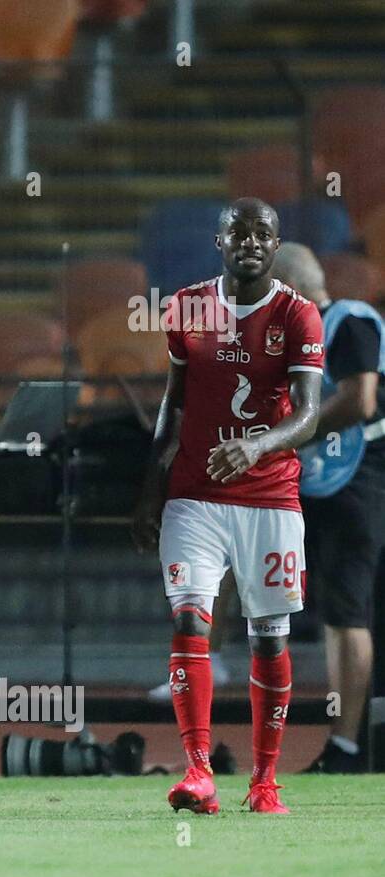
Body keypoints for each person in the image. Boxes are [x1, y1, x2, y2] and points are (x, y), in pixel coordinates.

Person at [132, 198, 323, 815]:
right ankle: (198, 772)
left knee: (268, 639)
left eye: (262, 233)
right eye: (237, 233)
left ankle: (265, 781)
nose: (250, 242)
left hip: (269, 498)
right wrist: (151, 485)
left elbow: (310, 413)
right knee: (190, 620)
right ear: (218, 242)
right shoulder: (187, 307)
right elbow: (175, 402)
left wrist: (257, 446)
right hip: (195, 495)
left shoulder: (298, 315)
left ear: (274, 244)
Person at [271, 243, 384, 774]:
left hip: (360, 485)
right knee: (338, 611)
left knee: (346, 610)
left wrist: (289, 434)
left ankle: (346, 747)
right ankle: (352, 739)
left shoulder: (350, 321)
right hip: (336, 487)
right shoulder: (312, 336)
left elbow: (361, 400)